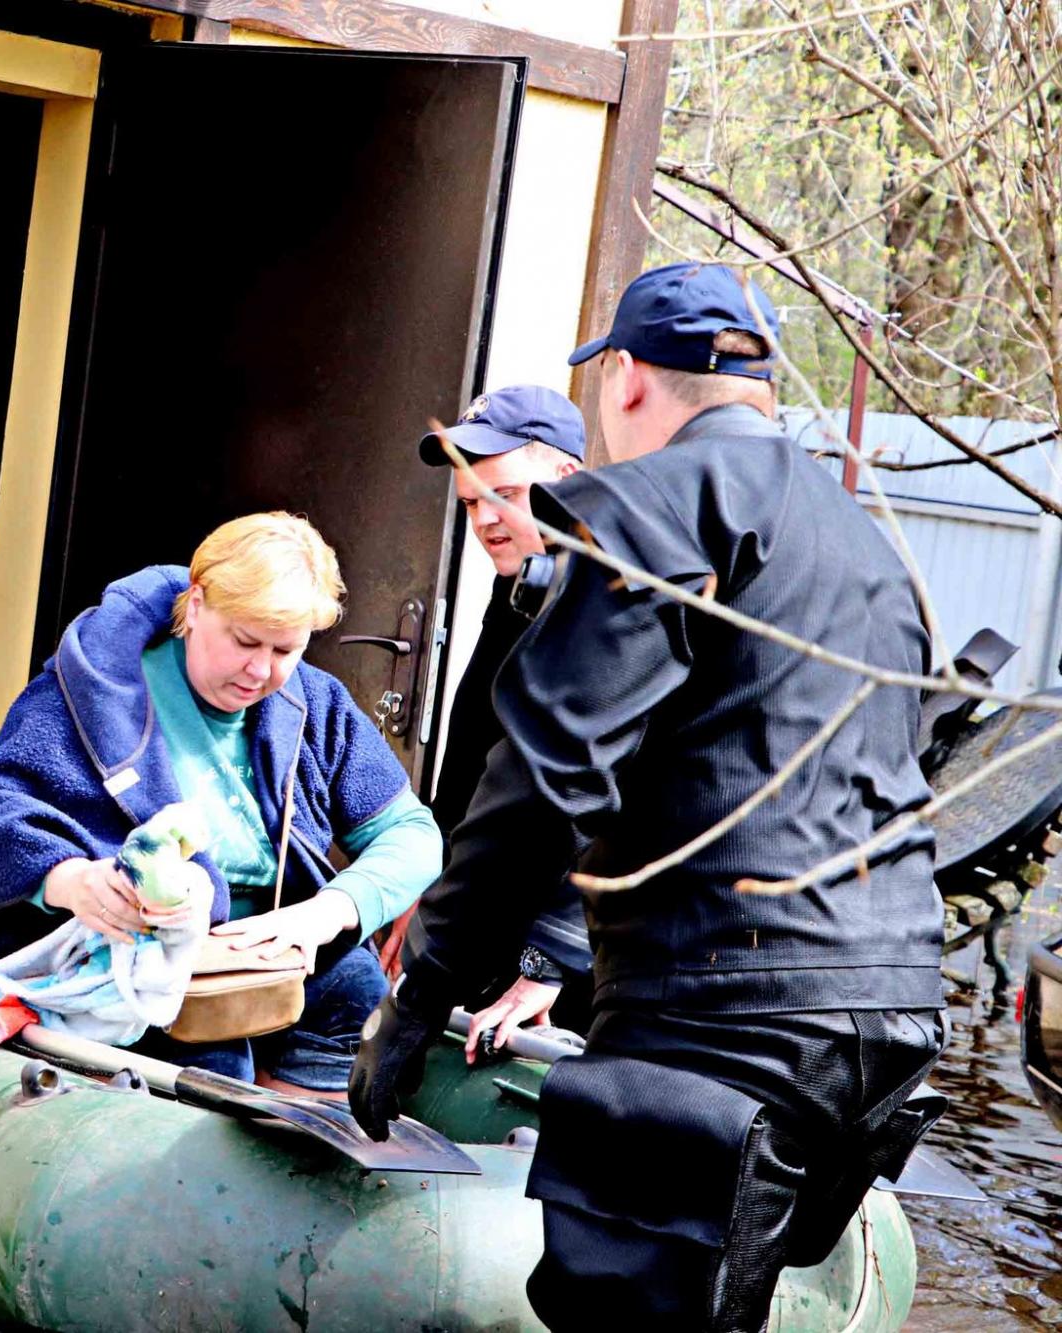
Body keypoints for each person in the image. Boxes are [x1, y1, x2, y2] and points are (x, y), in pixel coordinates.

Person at [350, 262, 946, 1331]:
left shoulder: (639, 505)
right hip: (886, 1014)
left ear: (622, 378)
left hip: (719, 1013)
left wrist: (422, 990)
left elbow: (544, 776)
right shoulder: (866, 545)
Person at [0, 513, 442, 1094]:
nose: (261, 671)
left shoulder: (316, 703)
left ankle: (295, 1143)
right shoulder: (95, 690)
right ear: (197, 604)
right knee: (217, 1059)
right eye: (244, 641)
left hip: (263, 954)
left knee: (362, 1002)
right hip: (126, 957)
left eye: (286, 649)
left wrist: (328, 911)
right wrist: (72, 881)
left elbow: (412, 833)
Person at [415, 386, 594, 1047]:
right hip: (493, 918)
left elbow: (611, 799)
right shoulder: (520, 583)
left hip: (572, 951)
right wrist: (425, 885)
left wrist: (550, 959)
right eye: (470, 502)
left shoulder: (611, 602)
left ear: (567, 479)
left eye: (506, 495)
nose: (486, 519)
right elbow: (471, 756)